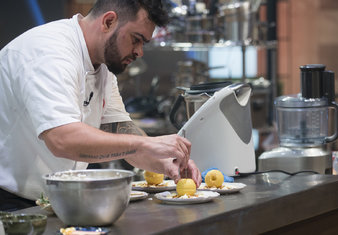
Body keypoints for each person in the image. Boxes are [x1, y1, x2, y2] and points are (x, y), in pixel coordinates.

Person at [0, 0, 201, 211]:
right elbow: (62, 140)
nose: (140, 52)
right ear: (108, 21)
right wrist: (147, 145)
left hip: (53, 199)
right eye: (136, 39)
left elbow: (120, 131)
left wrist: (165, 161)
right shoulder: (50, 53)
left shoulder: (103, 67)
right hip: (8, 201)